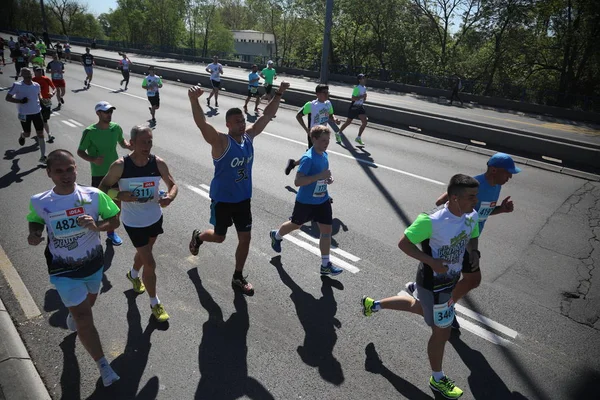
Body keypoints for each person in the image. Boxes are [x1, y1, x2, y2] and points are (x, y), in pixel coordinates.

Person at [361, 174, 481, 400]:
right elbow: (403, 243)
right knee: (441, 332)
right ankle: (437, 379)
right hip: (433, 284)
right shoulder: (431, 220)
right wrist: (432, 261)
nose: (476, 201)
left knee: (419, 309)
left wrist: (474, 251)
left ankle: (374, 305)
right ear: (454, 198)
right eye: (471, 197)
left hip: (451, 280)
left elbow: (473, 234)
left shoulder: (471, 215)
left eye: (476, 196)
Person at [26, 149, 121, 387]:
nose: (66, 175)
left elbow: (115, 219)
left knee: (89, 302)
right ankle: (103, 366)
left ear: (76, 168)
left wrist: (98, 226)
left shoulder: (94, 195)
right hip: (63, 271)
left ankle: (73, 314)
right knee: (84, 317)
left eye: (70, 169)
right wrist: (34, 233)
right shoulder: (40, 201)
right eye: (59, 171)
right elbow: (36, 219)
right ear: (49, 173)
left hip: (92, 265)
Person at [187, 81, 291, 296]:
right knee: (219, 237)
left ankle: (238, 276)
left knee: (246, 238)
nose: (242, 124)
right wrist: (194, 100)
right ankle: (198, 237)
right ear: (228, 125)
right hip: (223, 200)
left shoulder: (248, 138)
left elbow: (266, 117)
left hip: (243, 199)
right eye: (237, 122)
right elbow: (201, 124)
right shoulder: (221, 142)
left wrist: (279, 93)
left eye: (243, 120)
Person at [414, 153, 520, 330]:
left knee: (468, 279)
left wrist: (501, 209)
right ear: (493, 170)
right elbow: (441, 201)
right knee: (471, 279)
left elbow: (482, 212)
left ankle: (443, 304)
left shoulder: (496, 186)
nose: (509, 177)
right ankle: (445, 307)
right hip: (458, 240)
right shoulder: (475, 185)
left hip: (469, 239)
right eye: (507, 173)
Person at [99, 126, 178, 323]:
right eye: (143, 142)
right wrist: (119, 195)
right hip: (133, 222)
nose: (147, 145)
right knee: (150, 262)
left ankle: (133, 274)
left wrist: (169, 197)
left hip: (154, 218)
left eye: (150, 141)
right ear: (132, 143)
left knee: (146, 253)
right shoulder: (120, 166)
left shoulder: (158, 163)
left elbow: (173, 185)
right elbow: (102, 188)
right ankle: (155, 303)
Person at [270, 125, 343, 276]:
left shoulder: (324, 154)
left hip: (322, 200)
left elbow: (324, 174)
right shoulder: (308, 158)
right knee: (296, 225)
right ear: (313, 139)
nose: (326, 143)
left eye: (328, 140)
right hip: (305, 202)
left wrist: (328, 178)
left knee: (327, 231)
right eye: (323, 140)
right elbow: (297, 181)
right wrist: (319, 176)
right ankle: (276, 235)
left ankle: (325, 265)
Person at [77, 101, 132, 246]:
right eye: (106, 112)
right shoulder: (90, 132)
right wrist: (93, 159)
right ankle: (92, 231)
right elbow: (80, 151)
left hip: (115, 172)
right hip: (99, 175)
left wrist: (129, 146)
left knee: (115, 203)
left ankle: (111, 232)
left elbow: (122, 142)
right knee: (97, 205)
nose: (109, 114)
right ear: (98, 113)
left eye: (110, 112)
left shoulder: (115, 128)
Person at [285, 84, 340, 175]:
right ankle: (305, 175)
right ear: (317, 94)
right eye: (324, 92)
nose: (327, 94)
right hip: (314, 135)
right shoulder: (311, 105)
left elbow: (330, 114)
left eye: (328, 92)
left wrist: (334, 119)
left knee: (315, 154)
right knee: (315, 154)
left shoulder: (328, 103)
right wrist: (307, 129)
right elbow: (298, 116)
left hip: (324, 134)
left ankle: (294, 164)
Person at [5, 67, 47, 164]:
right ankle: (22, 135)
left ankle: (43, 156)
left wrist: (43, 100)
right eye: (26, 75)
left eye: (29, 74)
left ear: (31, 74)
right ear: (22, 75)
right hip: (24, 114)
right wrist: (20, 101)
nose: (28, 77)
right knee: (27, 134)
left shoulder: (36, 85)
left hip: (37, 112)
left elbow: (38, 95)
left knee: (40, 134)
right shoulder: (17, 85)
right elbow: (8, 98)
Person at [336, 73, 368, 146]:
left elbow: (363, 99)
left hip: (360, 107)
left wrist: (365, 97)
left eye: (365, 78)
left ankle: (358, 137)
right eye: (363, 78)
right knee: (348, 122)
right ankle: (338, 133)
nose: (365, 79)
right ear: (359, 80)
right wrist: (362, 96)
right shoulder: (357, 88)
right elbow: (353, 98)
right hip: (354, 107)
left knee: (365, 122)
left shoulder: (364, 88)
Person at [32, 67, 56, 143]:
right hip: (36, 101)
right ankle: (49, 135)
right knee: (42, 119)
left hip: (46, 101)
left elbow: (54, 88)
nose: (40, 73)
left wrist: (52, 93)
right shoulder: (32, 80)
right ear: (34, 72)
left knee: (45, 119)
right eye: (38, 71)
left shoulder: (46, 79)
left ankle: (42, 132)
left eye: (41, 71)